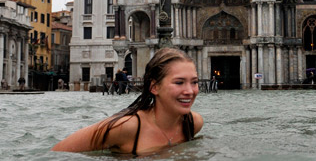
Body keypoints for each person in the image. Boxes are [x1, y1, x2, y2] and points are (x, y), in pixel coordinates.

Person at [53, 48, 204, 155]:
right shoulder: (126, 126)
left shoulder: (193, 123)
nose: (190, 91)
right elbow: (58, 153)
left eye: (194, 82)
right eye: (179, 82)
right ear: (154, 87)